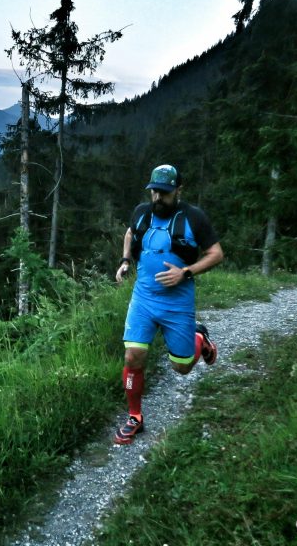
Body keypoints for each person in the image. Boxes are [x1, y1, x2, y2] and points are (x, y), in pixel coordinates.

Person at [113, 164, 224, 445]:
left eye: (164, 192)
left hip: (177, 302)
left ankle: (200, 338)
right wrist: (126, 261)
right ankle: (135, 417)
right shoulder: (141, 212)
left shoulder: (193, 218)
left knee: (183, 367)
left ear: (178, 191)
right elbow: (129, 233)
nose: (158, 197)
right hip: (144, 298)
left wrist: (185, 273)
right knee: (132, 356)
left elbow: (216, 254)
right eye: (154, 192)